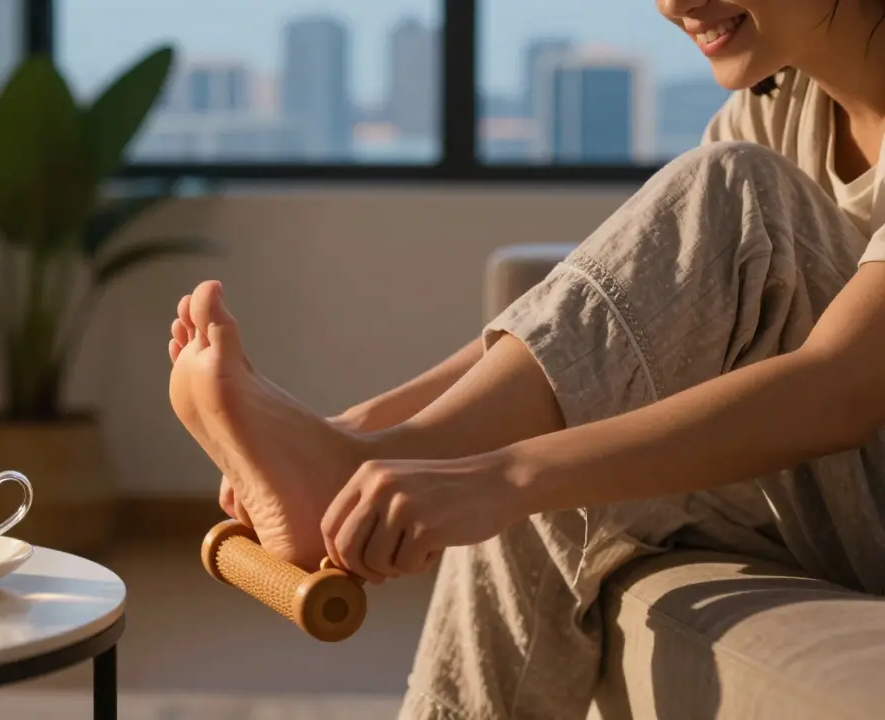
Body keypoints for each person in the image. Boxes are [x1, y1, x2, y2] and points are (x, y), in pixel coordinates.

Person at [167, 0, 885, 717]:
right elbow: (597, 334)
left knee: (734, 193)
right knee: (559, 421)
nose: (672, 4)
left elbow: (842, 387)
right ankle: (347, 461)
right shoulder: (780, 102)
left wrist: (497, 478)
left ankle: (345, 464)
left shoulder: (757, 172)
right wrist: (360, 427)